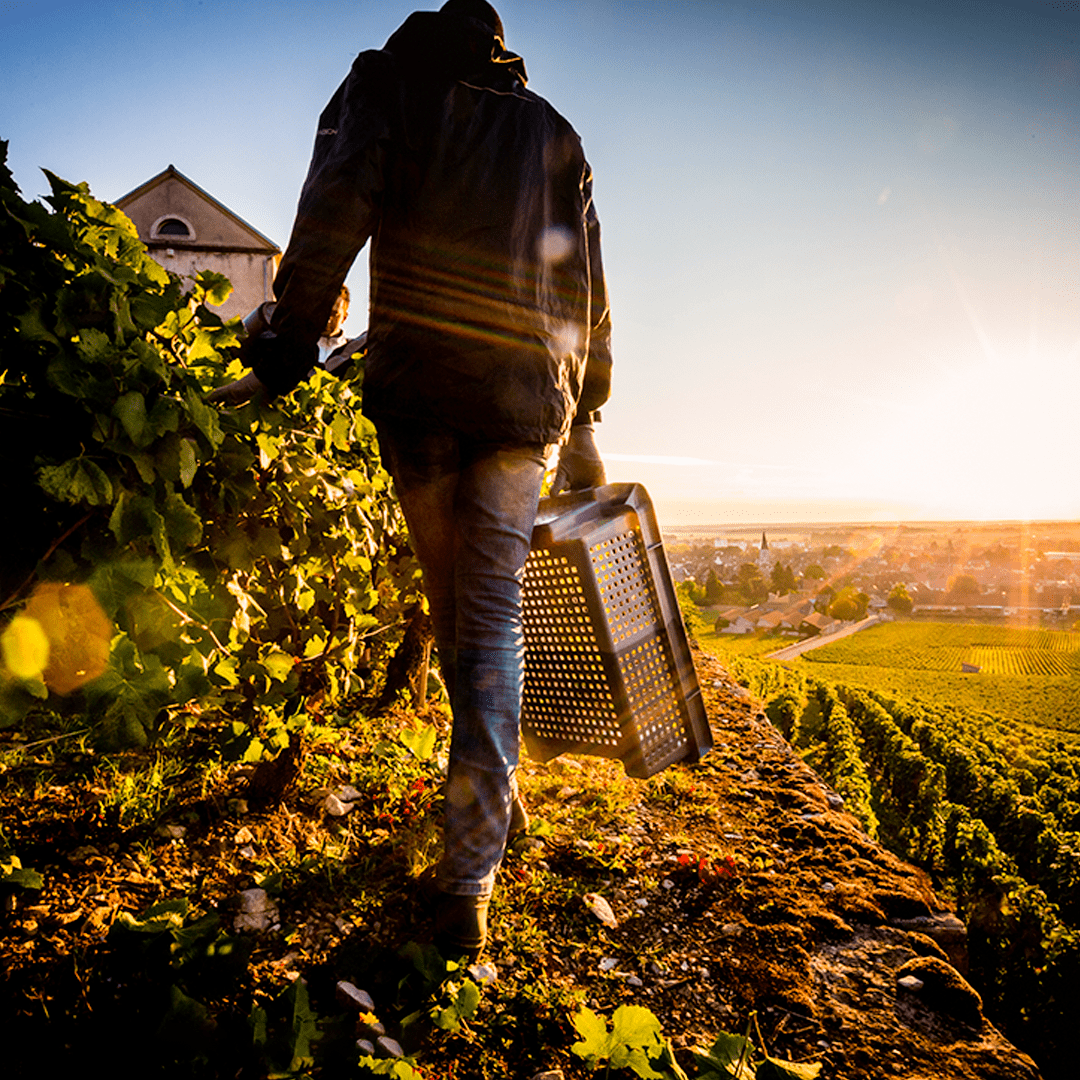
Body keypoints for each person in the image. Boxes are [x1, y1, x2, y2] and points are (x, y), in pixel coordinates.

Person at [209, 0, 612, 960]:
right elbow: (587, 286)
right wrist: (588, 411)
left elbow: (336, 203)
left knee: (465, 624)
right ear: (503, 53)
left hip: (421, 396)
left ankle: (470, 860)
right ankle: (476, 853)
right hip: (523, 410)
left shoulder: (388, 84)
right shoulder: (553, 133)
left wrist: (287, 342)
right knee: (487, 627)